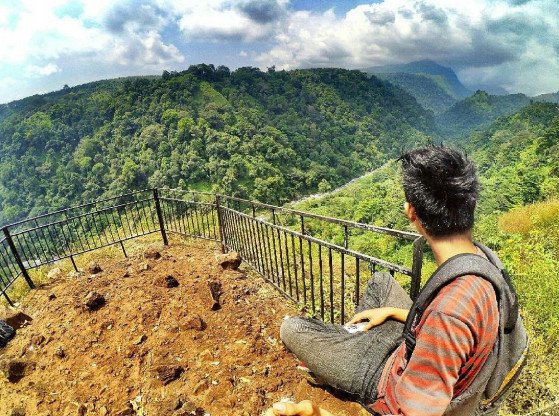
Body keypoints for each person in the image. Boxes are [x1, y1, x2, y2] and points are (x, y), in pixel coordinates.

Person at [265, 146, 502, 416]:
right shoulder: (483, 263)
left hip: (386, 378)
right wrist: (390, 311)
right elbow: (448, 329)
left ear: (411, 212)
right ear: (471, 204)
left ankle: (343, 353)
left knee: (291, 327)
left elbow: (409, 409)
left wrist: (318, 413)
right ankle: (347, 341)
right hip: (410, 344)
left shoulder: (449, 315)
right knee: (381, 281)